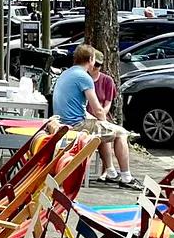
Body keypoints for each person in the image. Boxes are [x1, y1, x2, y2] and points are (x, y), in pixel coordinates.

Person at [52, 44, 140, 190]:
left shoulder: (66, 73)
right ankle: (126, 177)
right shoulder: (84, 77)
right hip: (76, 125)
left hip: (62, 121)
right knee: (121, 133)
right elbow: (98, 109)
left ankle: (111, 172)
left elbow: (78, 106)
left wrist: (101, 123)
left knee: (103, 130)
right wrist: (105, 122)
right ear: (91, 59)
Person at [85, 50, 135, 186]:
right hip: (87, 117)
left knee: (107, 129)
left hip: (102, 115)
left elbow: (107, 104)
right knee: (105, 131)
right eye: (94, 65)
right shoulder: (84, 79)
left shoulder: (107, 80)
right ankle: (112, 170)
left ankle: (112, 170)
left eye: (99, 66)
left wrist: (102, 116)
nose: (95, 68)